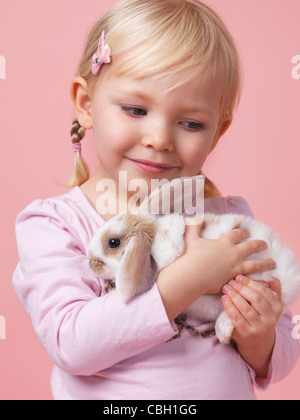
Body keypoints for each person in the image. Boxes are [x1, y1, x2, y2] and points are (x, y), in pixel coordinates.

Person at [13, 0, 299, 400]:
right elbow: (71, 343)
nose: (160, 139)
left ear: (217, 132)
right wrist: (187, 279)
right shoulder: (56, 224)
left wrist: (260, 334)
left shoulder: (227, 221)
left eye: (191, 123)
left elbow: (283, 355)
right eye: (136, 109)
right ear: (86, 103)